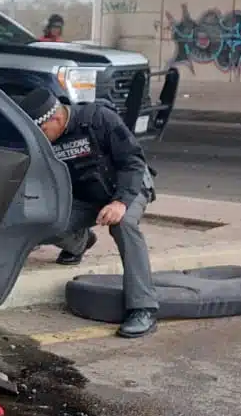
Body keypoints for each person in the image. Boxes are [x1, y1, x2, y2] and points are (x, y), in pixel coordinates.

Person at [20, 87, 158, 338]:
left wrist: (120, 203)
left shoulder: (99, 118)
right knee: (46, 221)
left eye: (41, 131)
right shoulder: (46, 141)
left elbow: (133, 162)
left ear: (57, 119)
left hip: (128, 188)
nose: (39, 138)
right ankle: (80, 242)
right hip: (89, 197)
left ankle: (143, 307)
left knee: (124, 225)